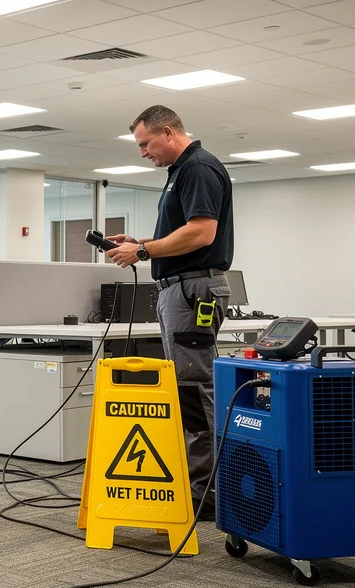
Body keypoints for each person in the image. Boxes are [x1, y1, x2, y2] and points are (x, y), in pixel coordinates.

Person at [104, 105, 234, 521]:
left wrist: (143, 251)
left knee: (194, 392)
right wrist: (140, 242)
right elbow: (184, 232)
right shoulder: (181, 172)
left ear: (168, 133)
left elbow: (202, 233)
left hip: (192, 291)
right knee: (188, 389)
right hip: (182, 290)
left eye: (146, 144)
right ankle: (201, 486)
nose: (143, 152)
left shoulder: (197, 167)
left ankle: (206, 495)